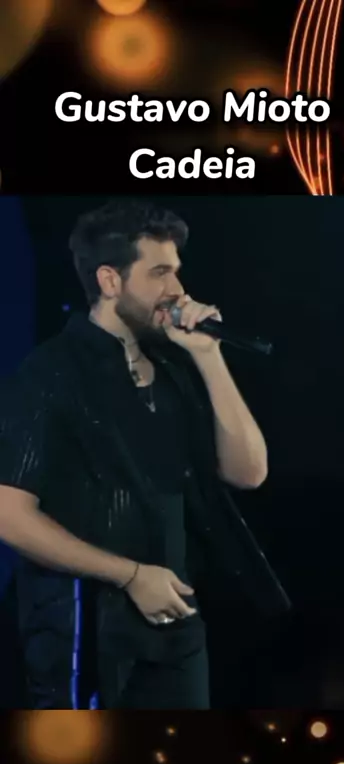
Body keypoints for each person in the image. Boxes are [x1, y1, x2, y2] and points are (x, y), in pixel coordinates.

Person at [0, 199, 290, 709]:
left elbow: (249, 472)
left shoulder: (176, 370)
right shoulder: (50, 374)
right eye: (159, 273)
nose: (177, 289)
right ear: (110, 280)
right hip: (83, 628)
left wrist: (209, 357)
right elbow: (9, 515)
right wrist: (130, 575)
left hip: (178, 623)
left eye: (176, 271)